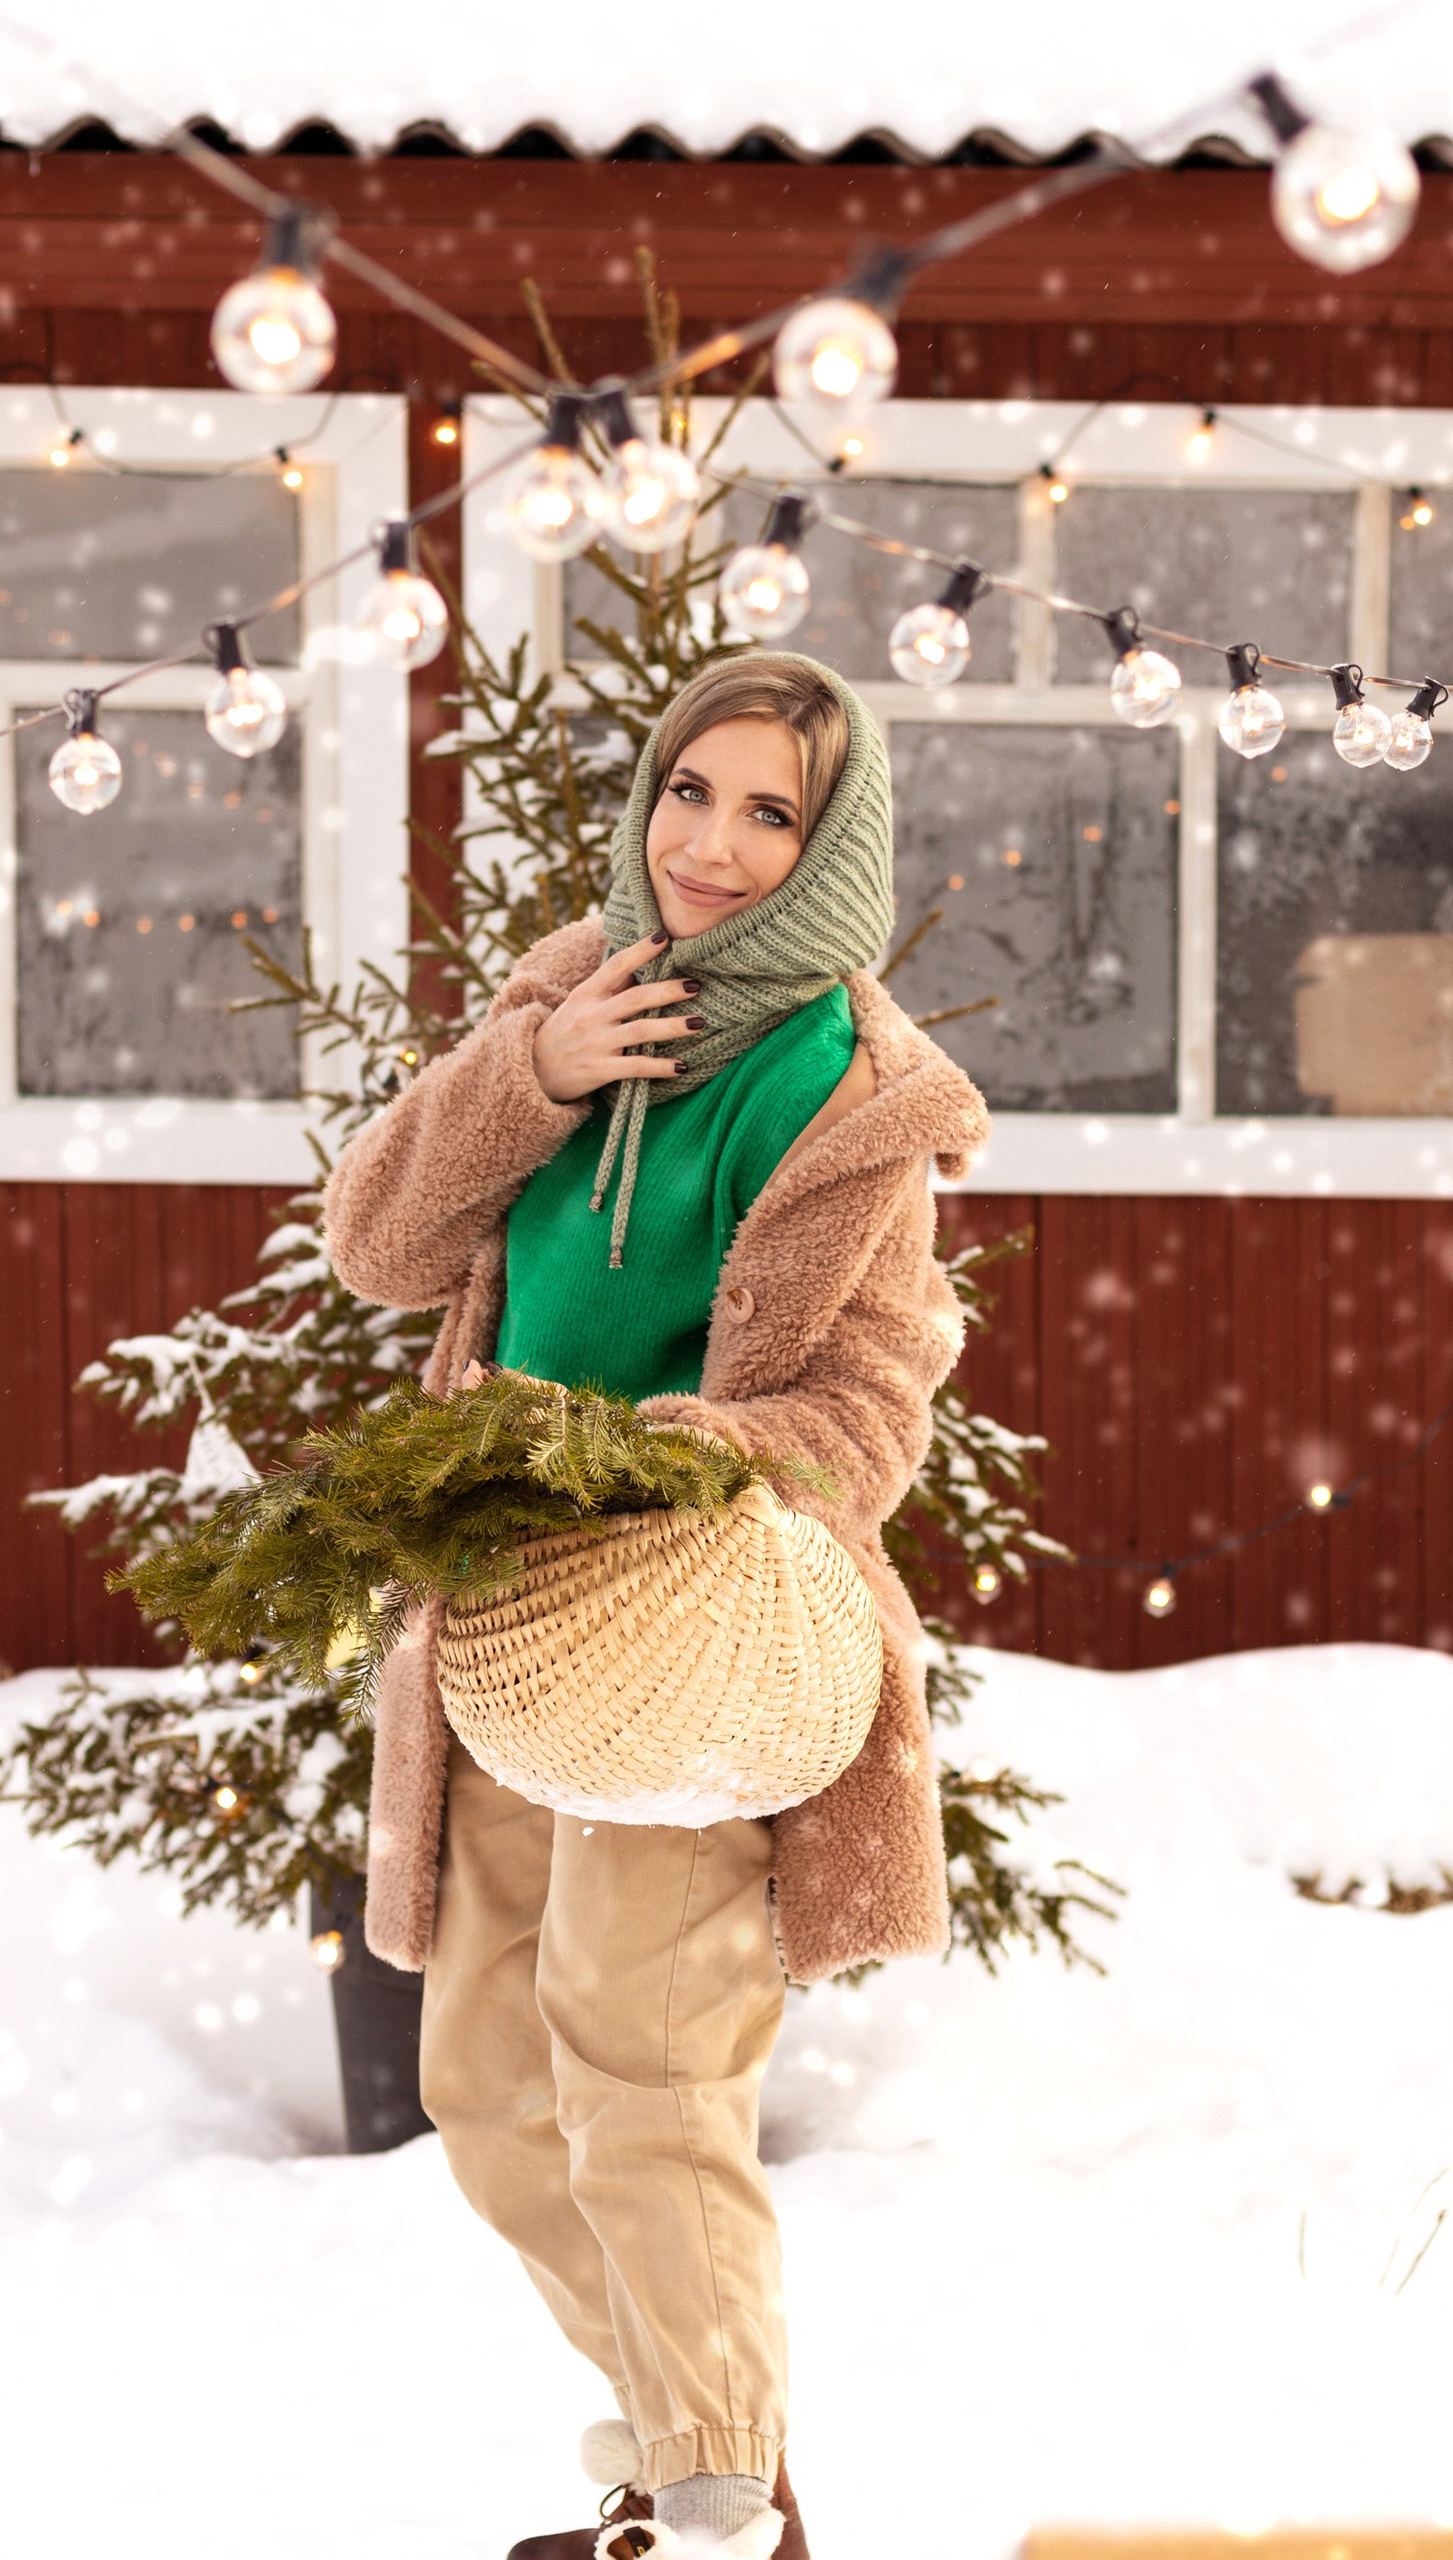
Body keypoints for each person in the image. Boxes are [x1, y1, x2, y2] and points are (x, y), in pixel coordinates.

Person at [321, 652, 987, 2560]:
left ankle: (709, 2509)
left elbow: (872, 1414)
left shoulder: (852, 1091)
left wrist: (690, 1455)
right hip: (507, 1616)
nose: (711, 843)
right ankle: (700, 2470)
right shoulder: (572, 985)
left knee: (643, 2064)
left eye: (769, 811)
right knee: (485, 2083)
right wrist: (523, 1080)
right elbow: (378, 1247)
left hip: (700, 1620)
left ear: (828, 844)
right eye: (692, 792)